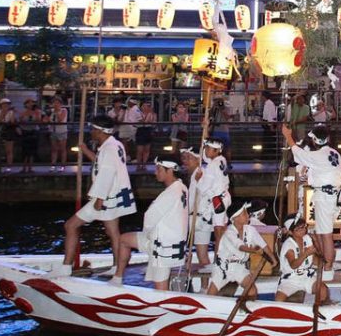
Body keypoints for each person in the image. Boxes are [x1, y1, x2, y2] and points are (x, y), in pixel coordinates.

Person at [54, 115, 136, 277]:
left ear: (100, 131)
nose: (91, 132)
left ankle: (65, 267)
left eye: (93, 129)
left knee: (71, 225)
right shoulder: (115, 145)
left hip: (106, 198)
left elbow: (107, 173)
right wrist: (85, 151)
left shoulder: (109, 149)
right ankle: (115, 265)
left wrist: (99, 198)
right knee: (113, 232)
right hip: (113, 197)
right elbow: (101, 163)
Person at [111, 157, 188, 288]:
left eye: (158, 169)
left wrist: (148, 235)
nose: (155, 172)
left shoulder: (171, 193)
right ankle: (117, 278)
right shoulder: (182, 187)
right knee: (123, 239)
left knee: (160, 288)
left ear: (169, 171)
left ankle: (163, 306)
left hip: (163, 247)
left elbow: (150, 218)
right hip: (173, 244)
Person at [283, 123, 341, 277]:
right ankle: (326, 264)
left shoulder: (318, 156)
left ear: (316, 141)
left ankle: (328, 267)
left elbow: (297, 152)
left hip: (325, 197)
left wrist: (288, 135)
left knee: (325, 234)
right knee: (323, 232)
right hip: (334, 195)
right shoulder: (335, 153)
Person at [208, 201, 275, 297]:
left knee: (252, 291)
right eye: (244, 213)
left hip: (239, 267)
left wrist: (273, 259)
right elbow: (240, 246)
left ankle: (247, 309)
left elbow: (263, 245)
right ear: (235, 218)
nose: (248, 215)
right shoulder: (229, 232)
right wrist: (254, 250)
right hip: (223, 268)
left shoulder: (251, 230)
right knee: (210, 295)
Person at [188, 140, 232, 268]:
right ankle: (220, 258)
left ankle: (219, 260)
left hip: (218, 199)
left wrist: (197, 180)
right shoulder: (221, 160)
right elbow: (204, 157)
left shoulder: (213, 165)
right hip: (223, 196)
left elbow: (204, 187)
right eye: (206, 148)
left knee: (219, 231)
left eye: (210, 149)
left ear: (217, 151)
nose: (206, 151)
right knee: (220, 229)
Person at [275, 216, 330, 302]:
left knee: (323, 290)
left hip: (306, 276)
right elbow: (293, 265)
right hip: (291, 279)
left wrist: (317, 245)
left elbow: (316, 260)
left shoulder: (307, 239)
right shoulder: (288, 244)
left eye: (304, 227)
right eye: (298, 229)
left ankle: (320, 312)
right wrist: (306, 253)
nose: (303, 230)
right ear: (290, 232)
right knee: (279, 300)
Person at [0, 98, 18, 173]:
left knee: (9, 150)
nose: (6, 106)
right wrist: (3, 114)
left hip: (8, 132)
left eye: (8, 105)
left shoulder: (11, 113)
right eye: (4, 105)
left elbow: (12, 122)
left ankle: (9, 166)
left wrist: (12, 113)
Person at [18, 99, 44, 173]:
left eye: (32, 103)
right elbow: (20, 121)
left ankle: (30, 167)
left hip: (34, 131)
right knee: (25, 151)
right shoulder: (23, 113)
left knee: (32, 150)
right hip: (25, 132)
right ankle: (24, 167)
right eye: (28, 103)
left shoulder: (36, 112)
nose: (30, 104)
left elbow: (39, 121)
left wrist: (36, 114)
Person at [48, 97, 70, 172]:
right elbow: (47, 119)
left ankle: (63, 165)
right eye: (54, 103)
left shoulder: (64, 110)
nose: (55, 104)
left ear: (60, 104)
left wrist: (57, 112)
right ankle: (53, 165)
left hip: (62, 131)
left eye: (57, 103)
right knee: (54, 149)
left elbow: (60, 119)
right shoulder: (51, 111)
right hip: (53, 131)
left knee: (62, 149)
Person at [134, 100, 158, 173]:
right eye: (144, 106)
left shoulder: (153, 114)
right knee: (140, 150)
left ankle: (144, 164)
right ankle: (138, 165)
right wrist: (147, 115)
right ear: (141, 107)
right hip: (141, 130)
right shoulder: (138, 113)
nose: (145, 107)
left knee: (147, 149)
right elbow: (142, 122)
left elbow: (153, 123)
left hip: (148, 130)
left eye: (147, 106)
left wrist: (152, 114)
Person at [119, 98, 142, 168]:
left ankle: (133, 158)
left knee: (128, 142)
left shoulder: (136, 109)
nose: (128, 103)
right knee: (125, 142)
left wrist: (136, 126)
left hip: (131, 127)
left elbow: (140, 119)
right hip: (126, 126)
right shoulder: (127, 109)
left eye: (129, 102)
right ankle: (128, 157)